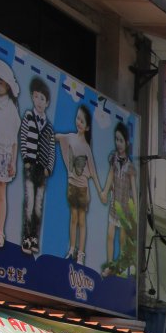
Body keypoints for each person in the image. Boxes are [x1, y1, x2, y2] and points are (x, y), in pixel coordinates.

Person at [56, 104, 99, 264]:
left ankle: (81, 253)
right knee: (73, 218)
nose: (79, 122)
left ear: (87, 127)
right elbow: (59, 137)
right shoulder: (71, 137)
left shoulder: (86, 147)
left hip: (82, 188)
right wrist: (48, 136)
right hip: (71, 185)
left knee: (81, 220)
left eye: (82, 121)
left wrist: (100, 191)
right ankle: (72, 249)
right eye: (78, 118)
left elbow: (93, 171)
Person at [20, 76, 54, 255]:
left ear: (47, 102)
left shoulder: (48, 127)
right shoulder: (28, 116)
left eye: (42, 98)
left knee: (38, 206)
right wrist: (26, 158)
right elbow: (24, 136)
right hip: (30, 166)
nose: (39, 101)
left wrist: (49, 167)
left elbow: (52, 149)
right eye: (36, 97)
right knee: (30, 202)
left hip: (42, 170)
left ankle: (34, 237)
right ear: (32, 97)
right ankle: (26, 236)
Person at [0, 59, 20, 249]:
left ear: (7, 86)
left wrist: (13, 162)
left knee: (1, 192)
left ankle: (0, 231)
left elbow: (14, 139)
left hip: (4, 153)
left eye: (0, 82)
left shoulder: (11, 109)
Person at [99, 121, 135, 277]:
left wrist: (135, 209)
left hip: (125, 207)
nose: (118, 143)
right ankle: (109, 264)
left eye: (121, 140)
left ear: (126, 143)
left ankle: (119, 265)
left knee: (122, 238)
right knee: (110, 235)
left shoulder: (130, 166)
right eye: (116, 139)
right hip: (114, 204)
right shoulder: (113, 158)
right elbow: (110, 176)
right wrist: (105, 192)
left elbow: (133, 188)